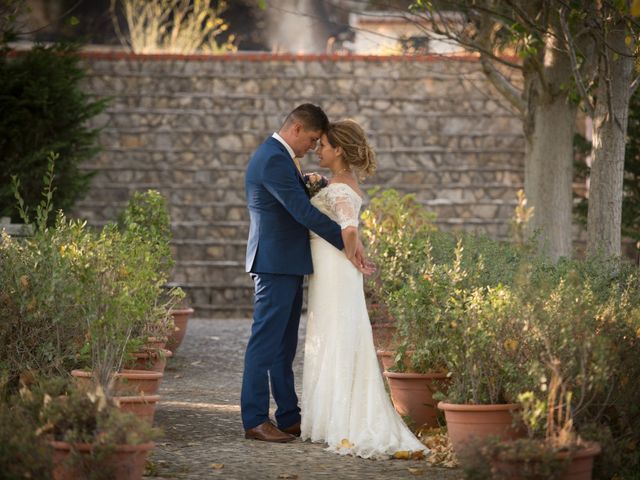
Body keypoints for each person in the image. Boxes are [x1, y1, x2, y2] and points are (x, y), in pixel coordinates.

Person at [242, 104, 370, 443]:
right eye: (312, 139)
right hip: (274, 264)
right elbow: (300, 211)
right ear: (297, 129)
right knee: (266, 343)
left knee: (283, 346)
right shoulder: (274, 158)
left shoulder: (281, 159)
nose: (313, 148)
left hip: (287, 263)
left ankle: (288, 416)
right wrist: (347, 244)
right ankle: (254, 419)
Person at [301, 119, 429, 459]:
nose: (318, 150)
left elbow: (349, 227)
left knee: (338, 336)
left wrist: (352, 249)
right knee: (331, 334)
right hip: (330, 270)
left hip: (334, 270)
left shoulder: (342, 188)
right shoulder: (340, 182)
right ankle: (331, 417)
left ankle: (343, 420)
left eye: (323, 146)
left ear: (338, 150)